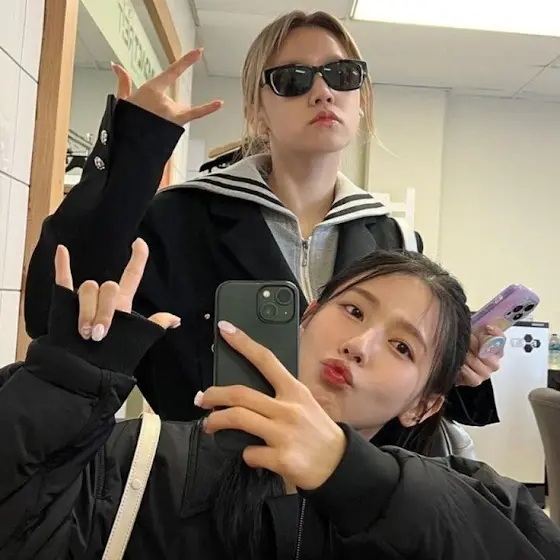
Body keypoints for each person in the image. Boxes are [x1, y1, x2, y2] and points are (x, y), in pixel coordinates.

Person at [24, 10, 502, 438]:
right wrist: (135, 151)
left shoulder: (393, 239)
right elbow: (50, 312)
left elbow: (406, 402)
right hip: (202, 485)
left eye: (342, 75)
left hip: (345, 493)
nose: (323, 92)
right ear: (257, 110)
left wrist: (456, 368)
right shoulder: (180, 217)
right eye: (293, 79)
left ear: (361, 100)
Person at [1, 243, 557, 560]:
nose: (360, 345)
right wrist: (64, 384)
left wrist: (355, 478)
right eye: (354, 311)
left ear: (424, 405)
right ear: (307, 316)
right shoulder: (142, 458)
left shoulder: (470, 503)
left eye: (402, 346)